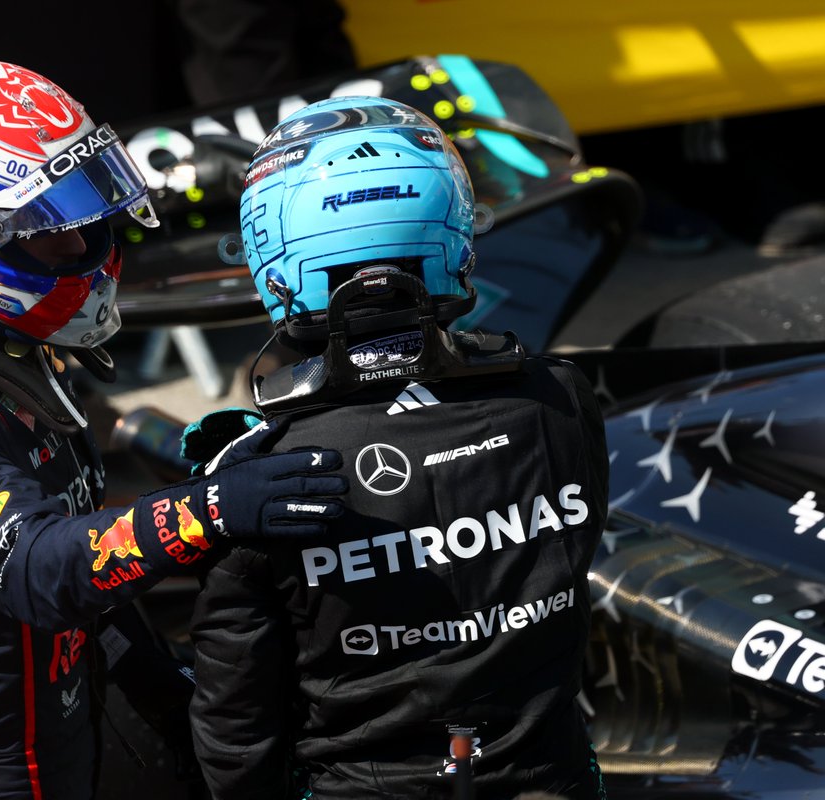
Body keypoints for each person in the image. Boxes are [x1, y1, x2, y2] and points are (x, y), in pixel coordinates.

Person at [0, 58, 348, 800]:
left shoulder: (1, 350)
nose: (83, 248)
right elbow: (39, 570)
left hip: (63, 756)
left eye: (84, 215)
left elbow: (91, 582)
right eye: (46, 230)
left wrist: (175, 706)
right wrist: (209, 510)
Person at [185, 97, 610, 799]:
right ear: (452, 226)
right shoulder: (559, 400)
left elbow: (236, 718)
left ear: (276, 257)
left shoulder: (254, 471)